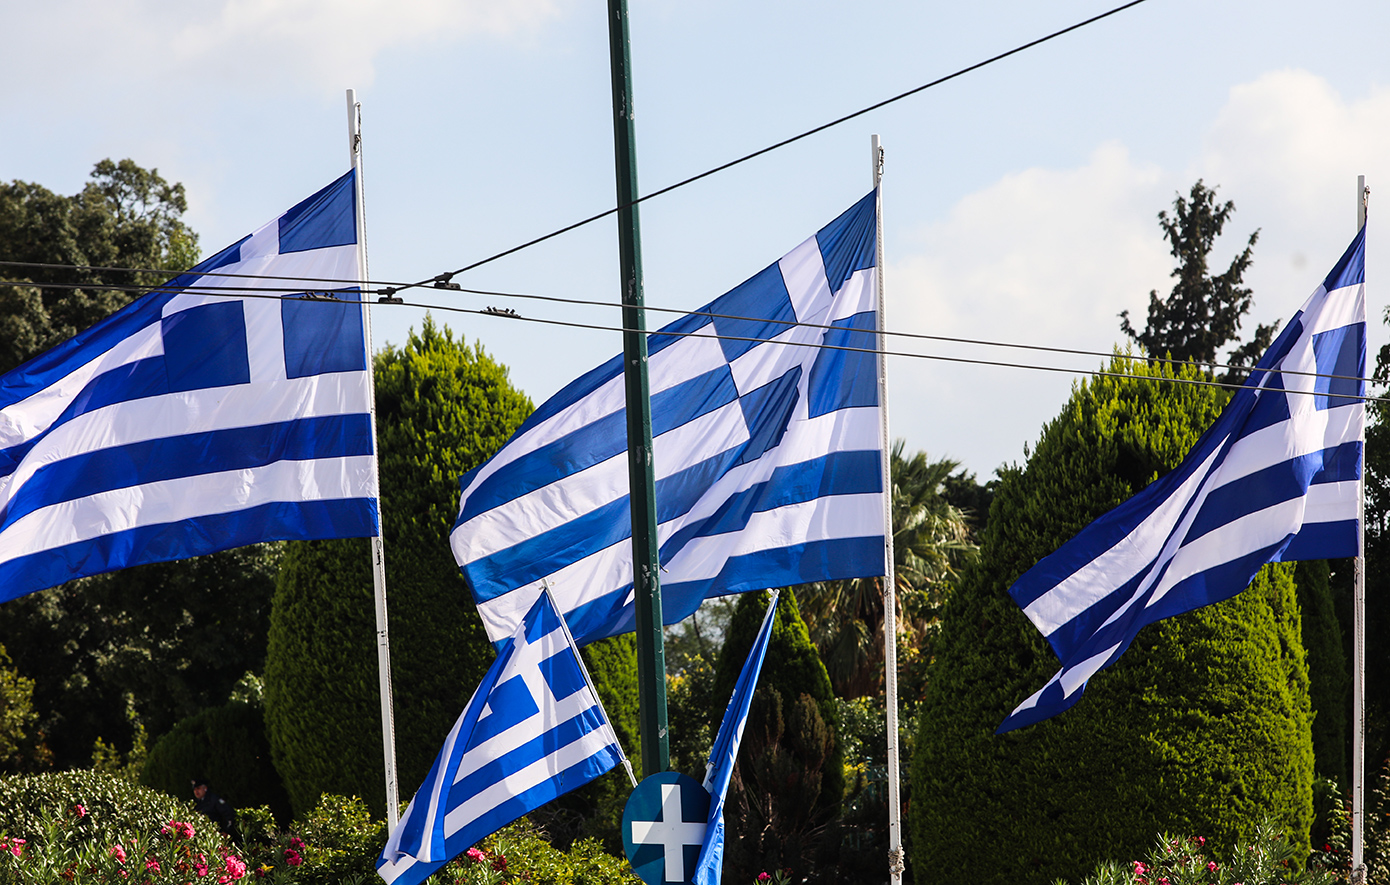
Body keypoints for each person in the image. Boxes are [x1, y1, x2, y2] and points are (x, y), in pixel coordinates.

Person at [191, 778, 243, 846]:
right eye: (194, 789)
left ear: (205, 788)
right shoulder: (198, 802)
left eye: (198, 788)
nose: (196, 791)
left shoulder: (213, 799)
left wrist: (226, 831)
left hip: (218, 835)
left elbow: (228, 813)